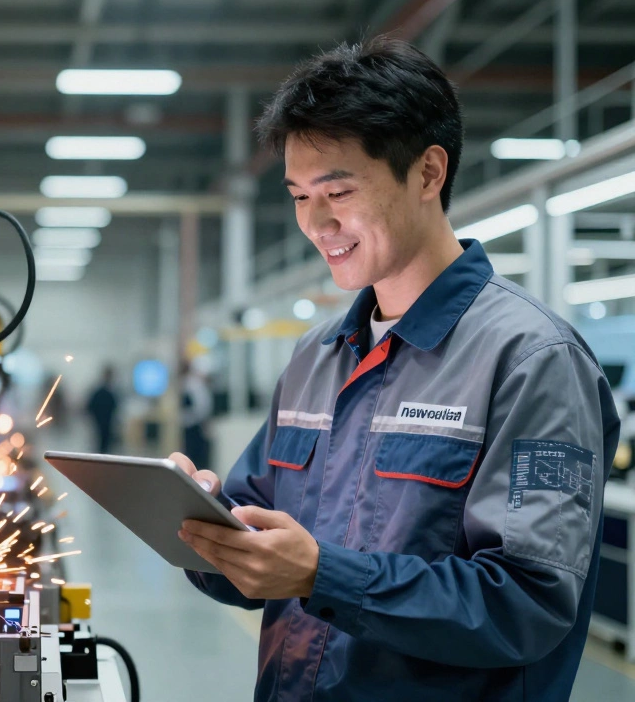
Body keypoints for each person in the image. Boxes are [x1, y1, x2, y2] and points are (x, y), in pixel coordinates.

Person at [172, 37, 620, 701]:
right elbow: (257, 532)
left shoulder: (532, 361)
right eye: (298, 196)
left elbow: (528, 605)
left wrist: (323, 575)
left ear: (428, 174)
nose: (317, 223)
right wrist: (197, 525)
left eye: (339, 190)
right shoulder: (317, 357)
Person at [85, 366, 120, 454]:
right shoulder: (103, 392)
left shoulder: (107, 392)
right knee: (100, 442)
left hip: (105, 421)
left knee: (105, 442)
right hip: (101, 421)